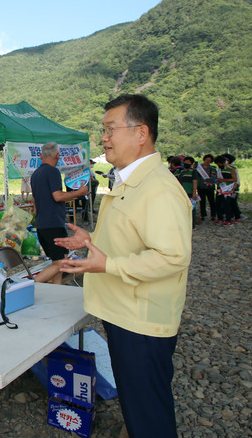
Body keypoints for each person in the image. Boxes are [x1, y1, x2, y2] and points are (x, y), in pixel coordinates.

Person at [57, 94, 192, 438]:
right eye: (103, 130)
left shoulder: (158, 188)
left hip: (142, 324)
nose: (104, 138)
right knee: (138, 405)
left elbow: (172, 256)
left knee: (148, 414)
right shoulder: (129, 180)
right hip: (125, 314)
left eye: (110, 129)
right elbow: (129, 237)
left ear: (141, 133)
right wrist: (91, 242)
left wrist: (109, 264)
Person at [29, 142, 88, 284]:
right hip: (54, 223)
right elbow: (58, 196)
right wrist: (78, 193)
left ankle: (57, 290)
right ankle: (30, 285)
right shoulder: (53, 171)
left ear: (40, 155)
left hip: (42, 223)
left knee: (57, 262)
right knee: (62, 263)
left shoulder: (35, 174)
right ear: (58, 155)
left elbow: (35, 202)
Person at [174, 156, 198, 227]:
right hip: (182, 193)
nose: (186, 163)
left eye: (188, 162)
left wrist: (194, 193)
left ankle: (192, 224)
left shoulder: (193, 172)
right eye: (185, 162)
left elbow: (195, 183)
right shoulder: (181, 172)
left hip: (190, 192)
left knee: (191, 209)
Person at [214, 155, 236, 225]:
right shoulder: (219, 170)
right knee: (218, 204)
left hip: (227, 189)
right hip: (219, 189)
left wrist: (223, 180)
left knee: (227, 205)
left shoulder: (231, 169)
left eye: (219, 163)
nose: (218, 165)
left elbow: (234, 179)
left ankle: (228, 219)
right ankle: (220, 218)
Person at [196, 154, 216, 222]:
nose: (207, 161)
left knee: (212, 201)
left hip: (209, 187)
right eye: (206, 160)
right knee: (202, 202)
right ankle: (203, 215)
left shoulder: (212, 168)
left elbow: (214, 177)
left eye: (209, 160)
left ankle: (213, 215)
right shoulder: (199, 168)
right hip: (201, 187)